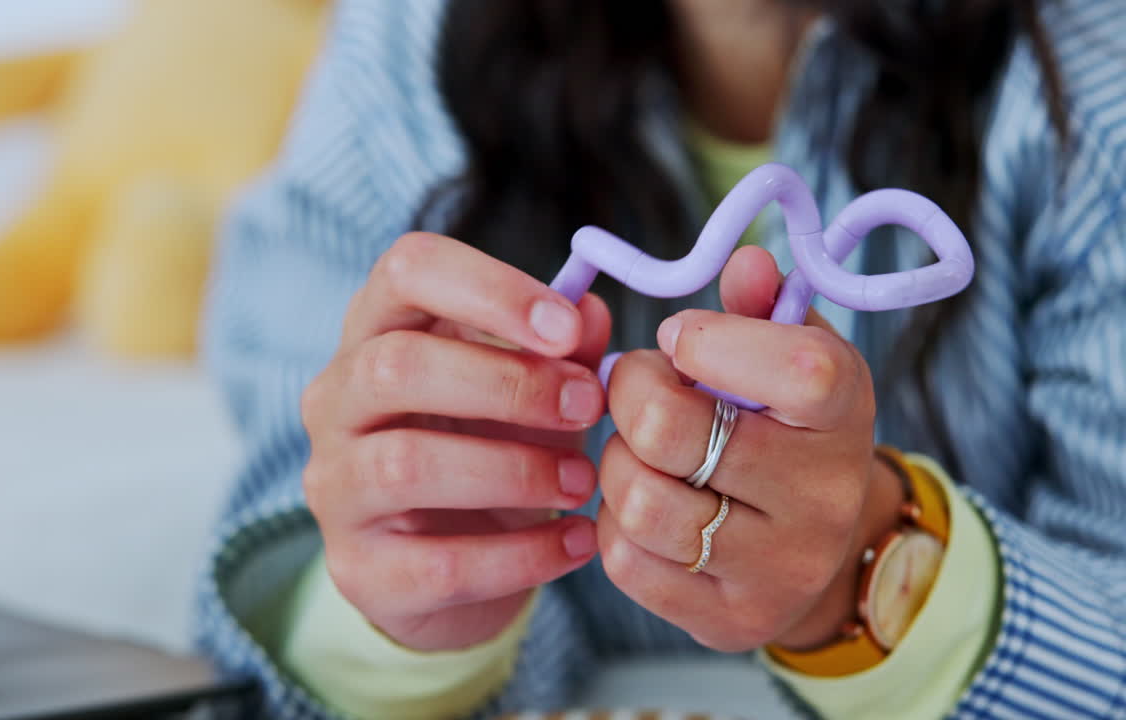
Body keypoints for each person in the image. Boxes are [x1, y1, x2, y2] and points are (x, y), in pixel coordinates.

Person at [195, 0, 1126, 718]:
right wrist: (404, 611)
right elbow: (265, 570)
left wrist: (875, 576)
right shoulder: (404, 52)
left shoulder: (1095, 89)